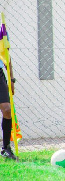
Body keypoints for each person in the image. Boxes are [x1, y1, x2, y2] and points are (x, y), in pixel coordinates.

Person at [0, 32, 17, 160]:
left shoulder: (2, 32)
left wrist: (11, 78)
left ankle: (6, 148)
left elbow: (6, 55)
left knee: (7, 110)